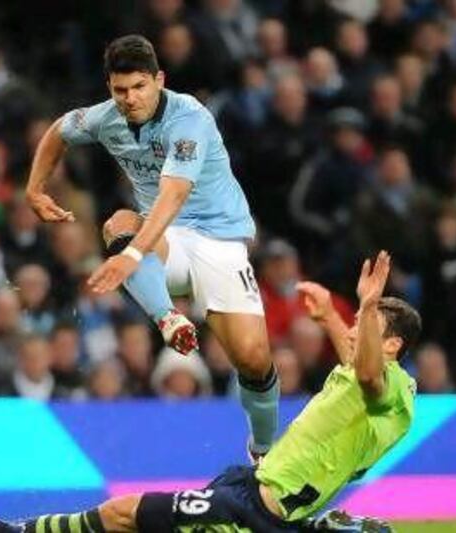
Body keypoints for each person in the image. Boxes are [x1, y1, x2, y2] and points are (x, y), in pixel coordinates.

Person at [0, 251, 421, 533]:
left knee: (122, 513)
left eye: (369, 326)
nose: (358, 331)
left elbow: (369, 378)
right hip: (250, 485)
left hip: (261, 510)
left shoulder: (393, 392)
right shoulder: (361, 370)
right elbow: (354, 364)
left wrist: (369, 301)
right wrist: (335, 319)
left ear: (393, 344)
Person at [25, 34, 277, 458]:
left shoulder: (189, 118)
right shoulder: (105, 118)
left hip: (218, 238)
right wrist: (34, 189)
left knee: (253, 359)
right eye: (120, 90)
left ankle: (265, 452)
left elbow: (173, 194)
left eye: (139, 86)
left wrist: (132, 254)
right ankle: (168, 319)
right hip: (166, 238)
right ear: (109, 87)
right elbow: (59, 131)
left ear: (159, 79)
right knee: (119, 222)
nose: (130, 98)